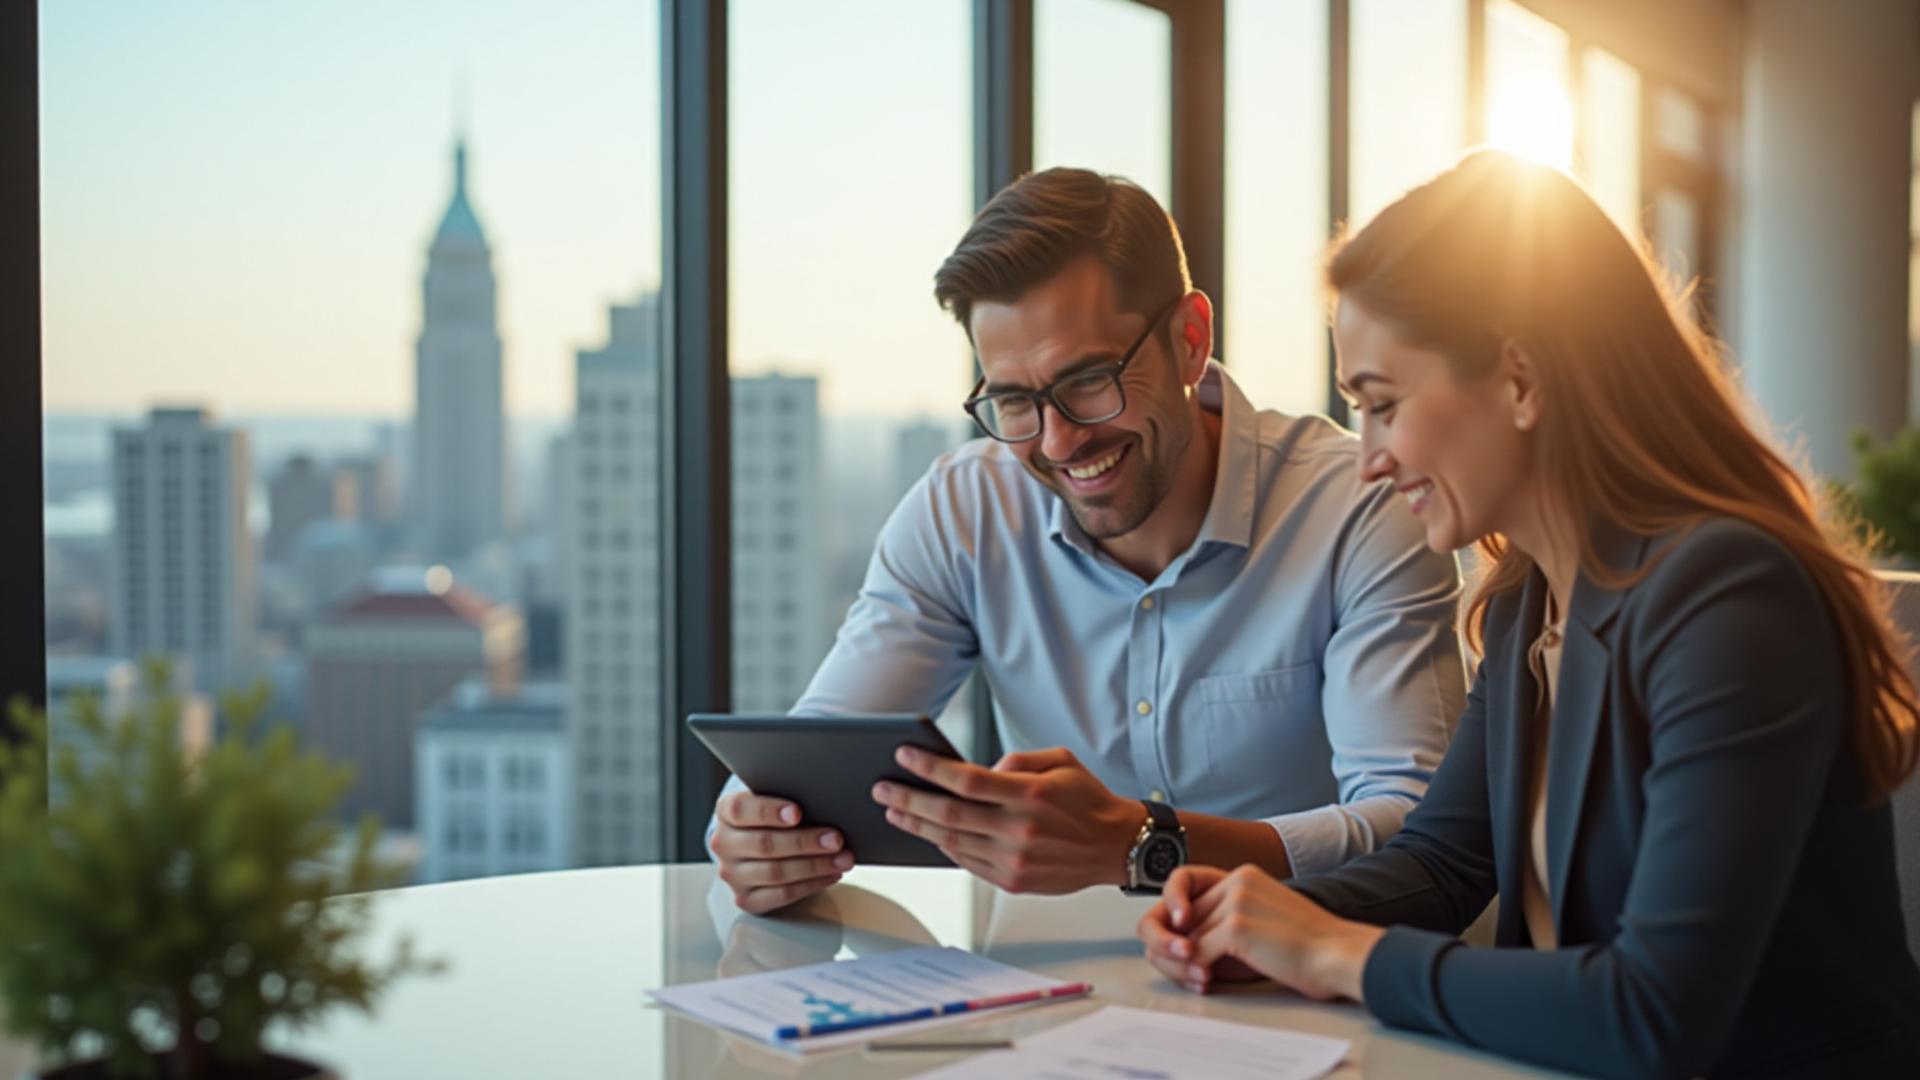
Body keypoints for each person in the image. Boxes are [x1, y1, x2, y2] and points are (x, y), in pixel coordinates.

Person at [1136, 150, 1920, 1078]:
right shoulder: (1528, 601)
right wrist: (1258, 912)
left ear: (1518, 378)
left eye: (1382, 405)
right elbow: (1443, 862)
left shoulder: (1733, 597)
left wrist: (1331, 952)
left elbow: (1655, 1014)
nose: (1369, 458)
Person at [708, 167, 1468, 915]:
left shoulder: (1358, 507)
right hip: (1049, 999)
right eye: (1014, 401)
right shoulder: (961, 511)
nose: (1060, 440)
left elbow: (1417, 836)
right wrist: (755, 831)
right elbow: (807, 761)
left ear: (1190, 339)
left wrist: (1144, 846)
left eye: (1089, 380)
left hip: (1302, 987)